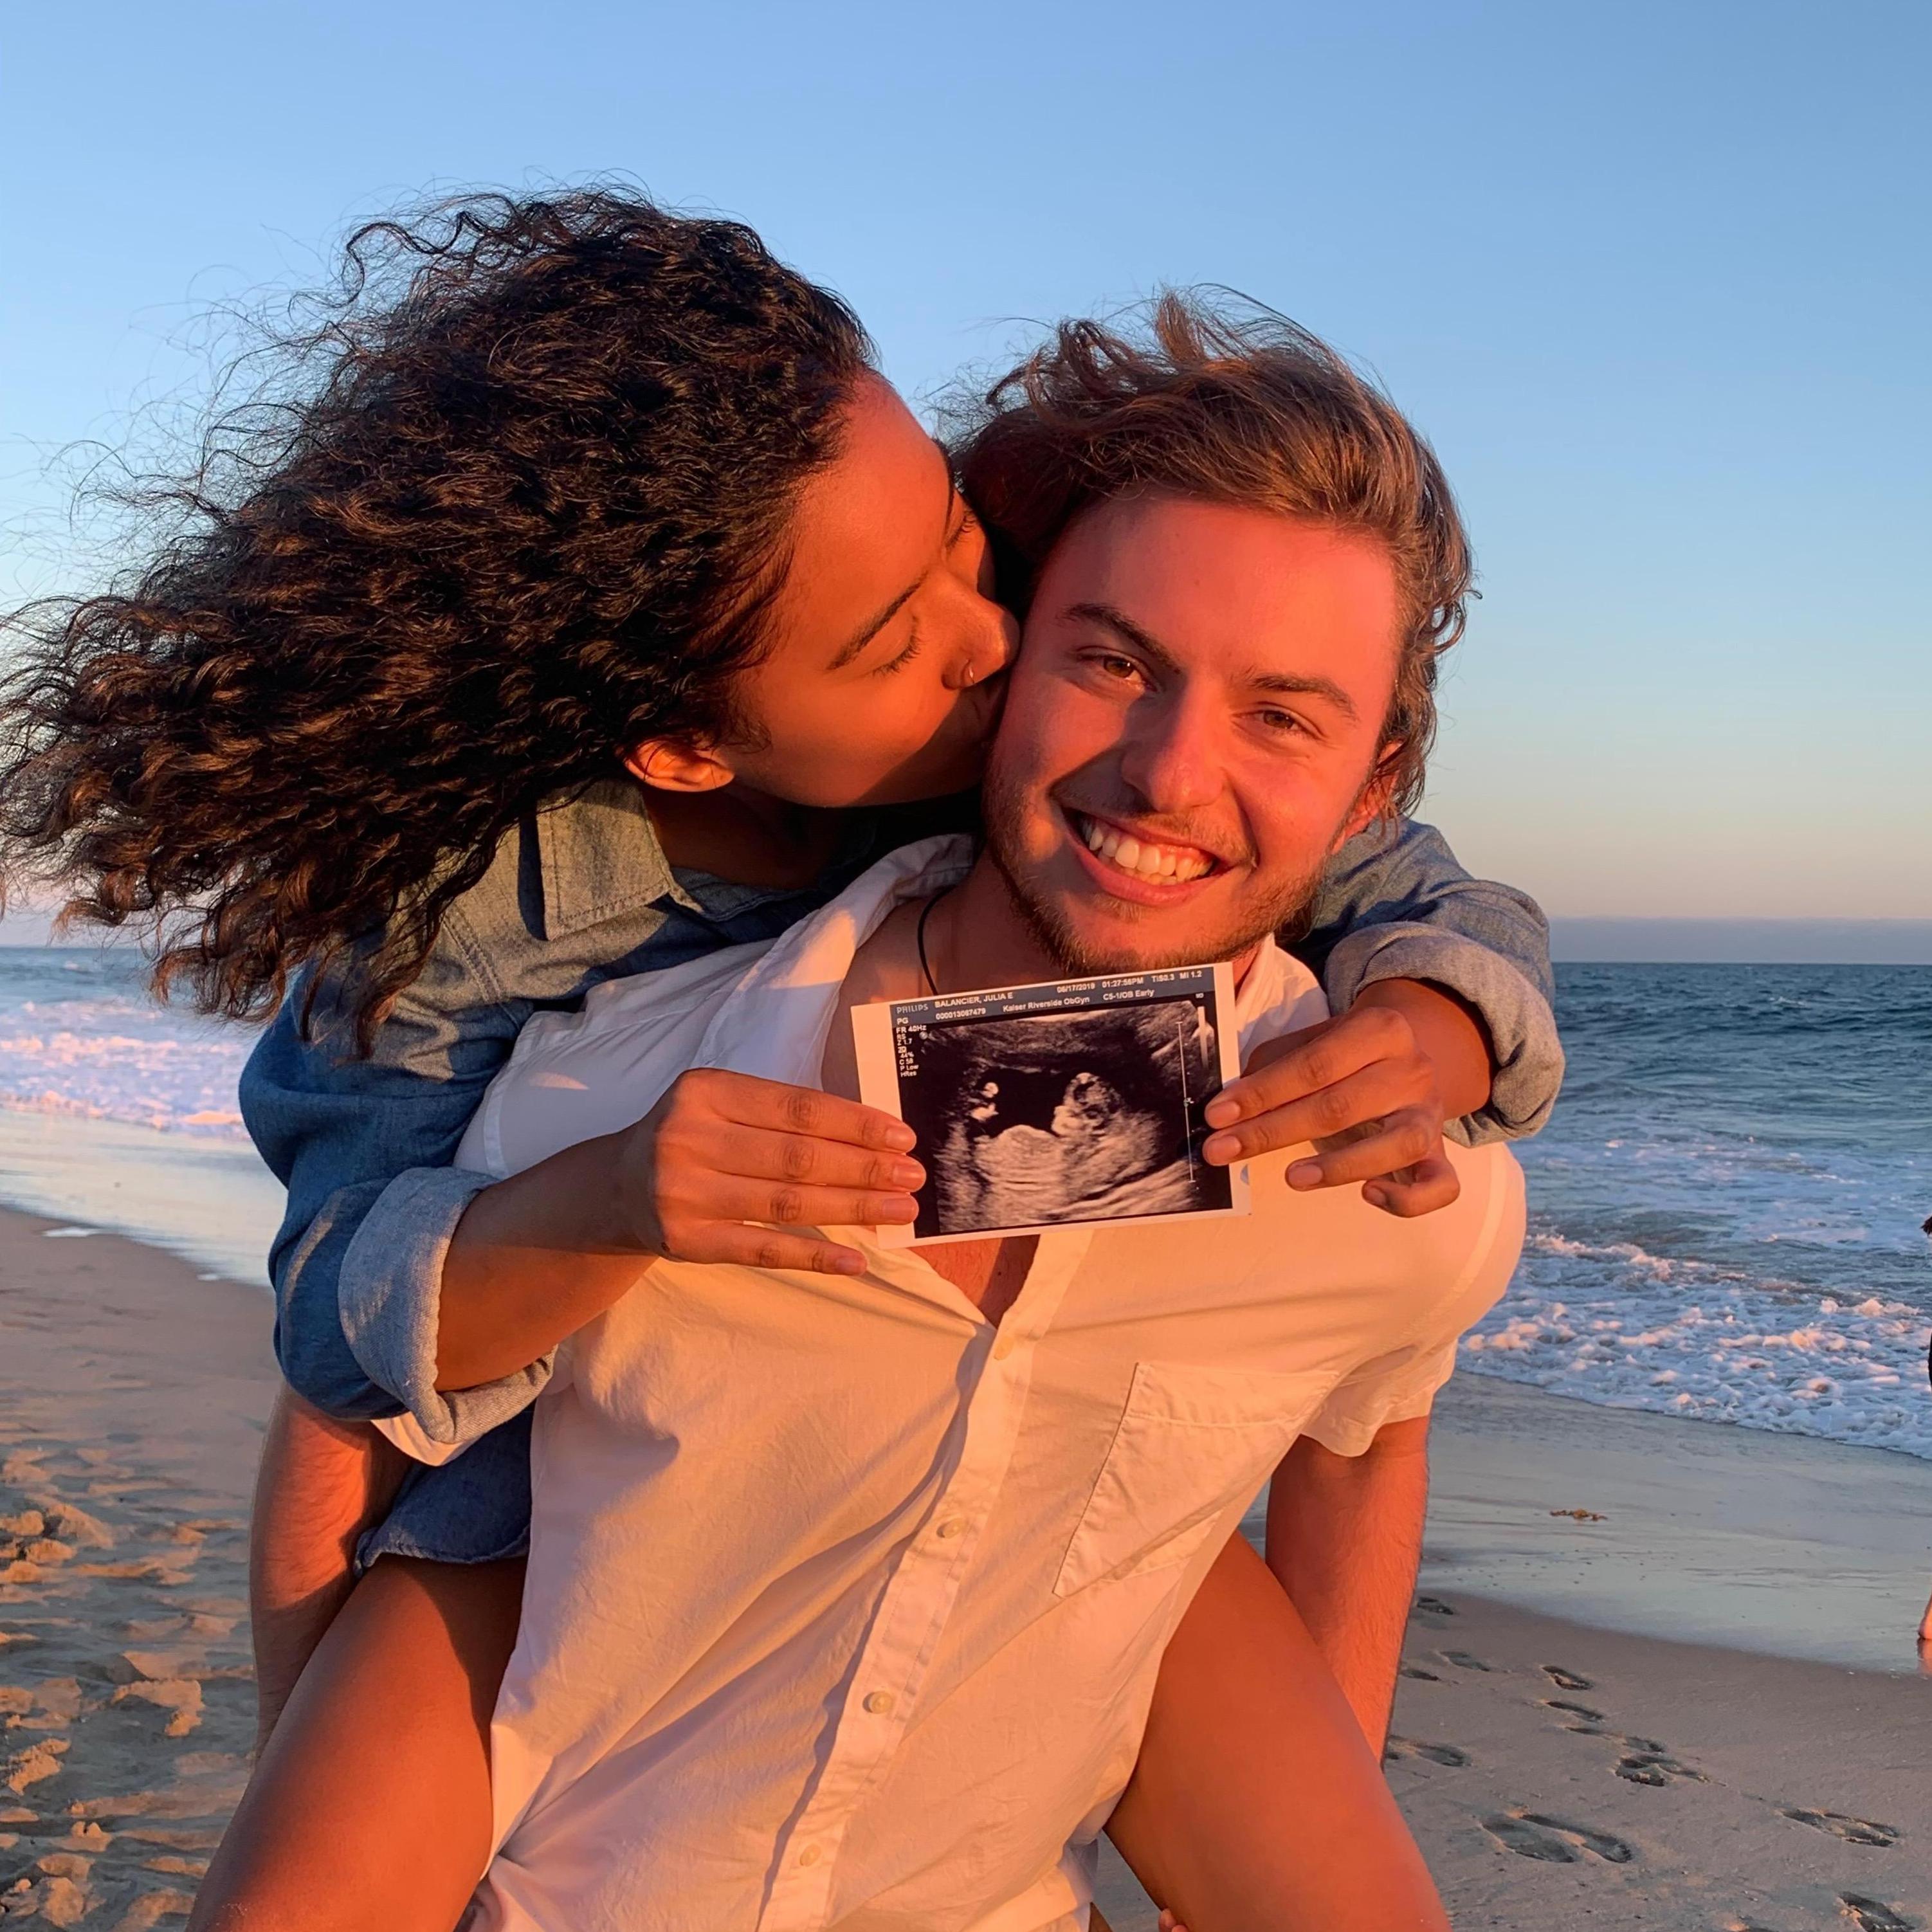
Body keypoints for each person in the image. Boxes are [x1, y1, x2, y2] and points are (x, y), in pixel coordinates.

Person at [0, 190, 1556, 1926]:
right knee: (481, 1494)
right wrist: (607, 1203)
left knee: (1110, 1436)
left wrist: (1449, 1001)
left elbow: (1355, 1358)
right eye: (1075, 654)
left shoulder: (1333, 1113)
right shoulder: (515, 965)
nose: (989, 660)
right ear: (684, 739)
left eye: (980, 573)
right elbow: (344, 1362)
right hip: (534, 1460)